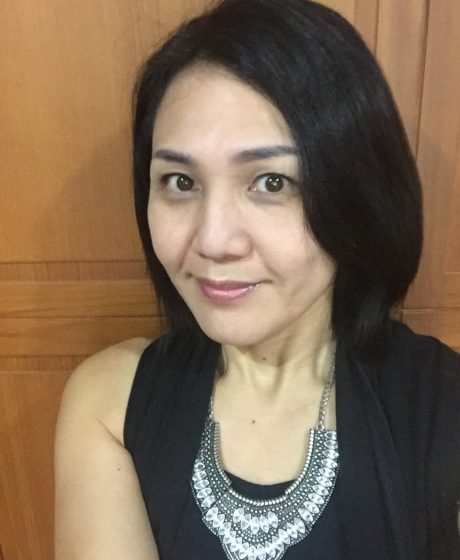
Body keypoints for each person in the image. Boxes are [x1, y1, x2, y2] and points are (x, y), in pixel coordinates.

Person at [54, 1, 460, 559]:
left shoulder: (442, 410)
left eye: (271, 182)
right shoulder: (111, 403)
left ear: (356, 193)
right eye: (180, 181)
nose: (213, 240)